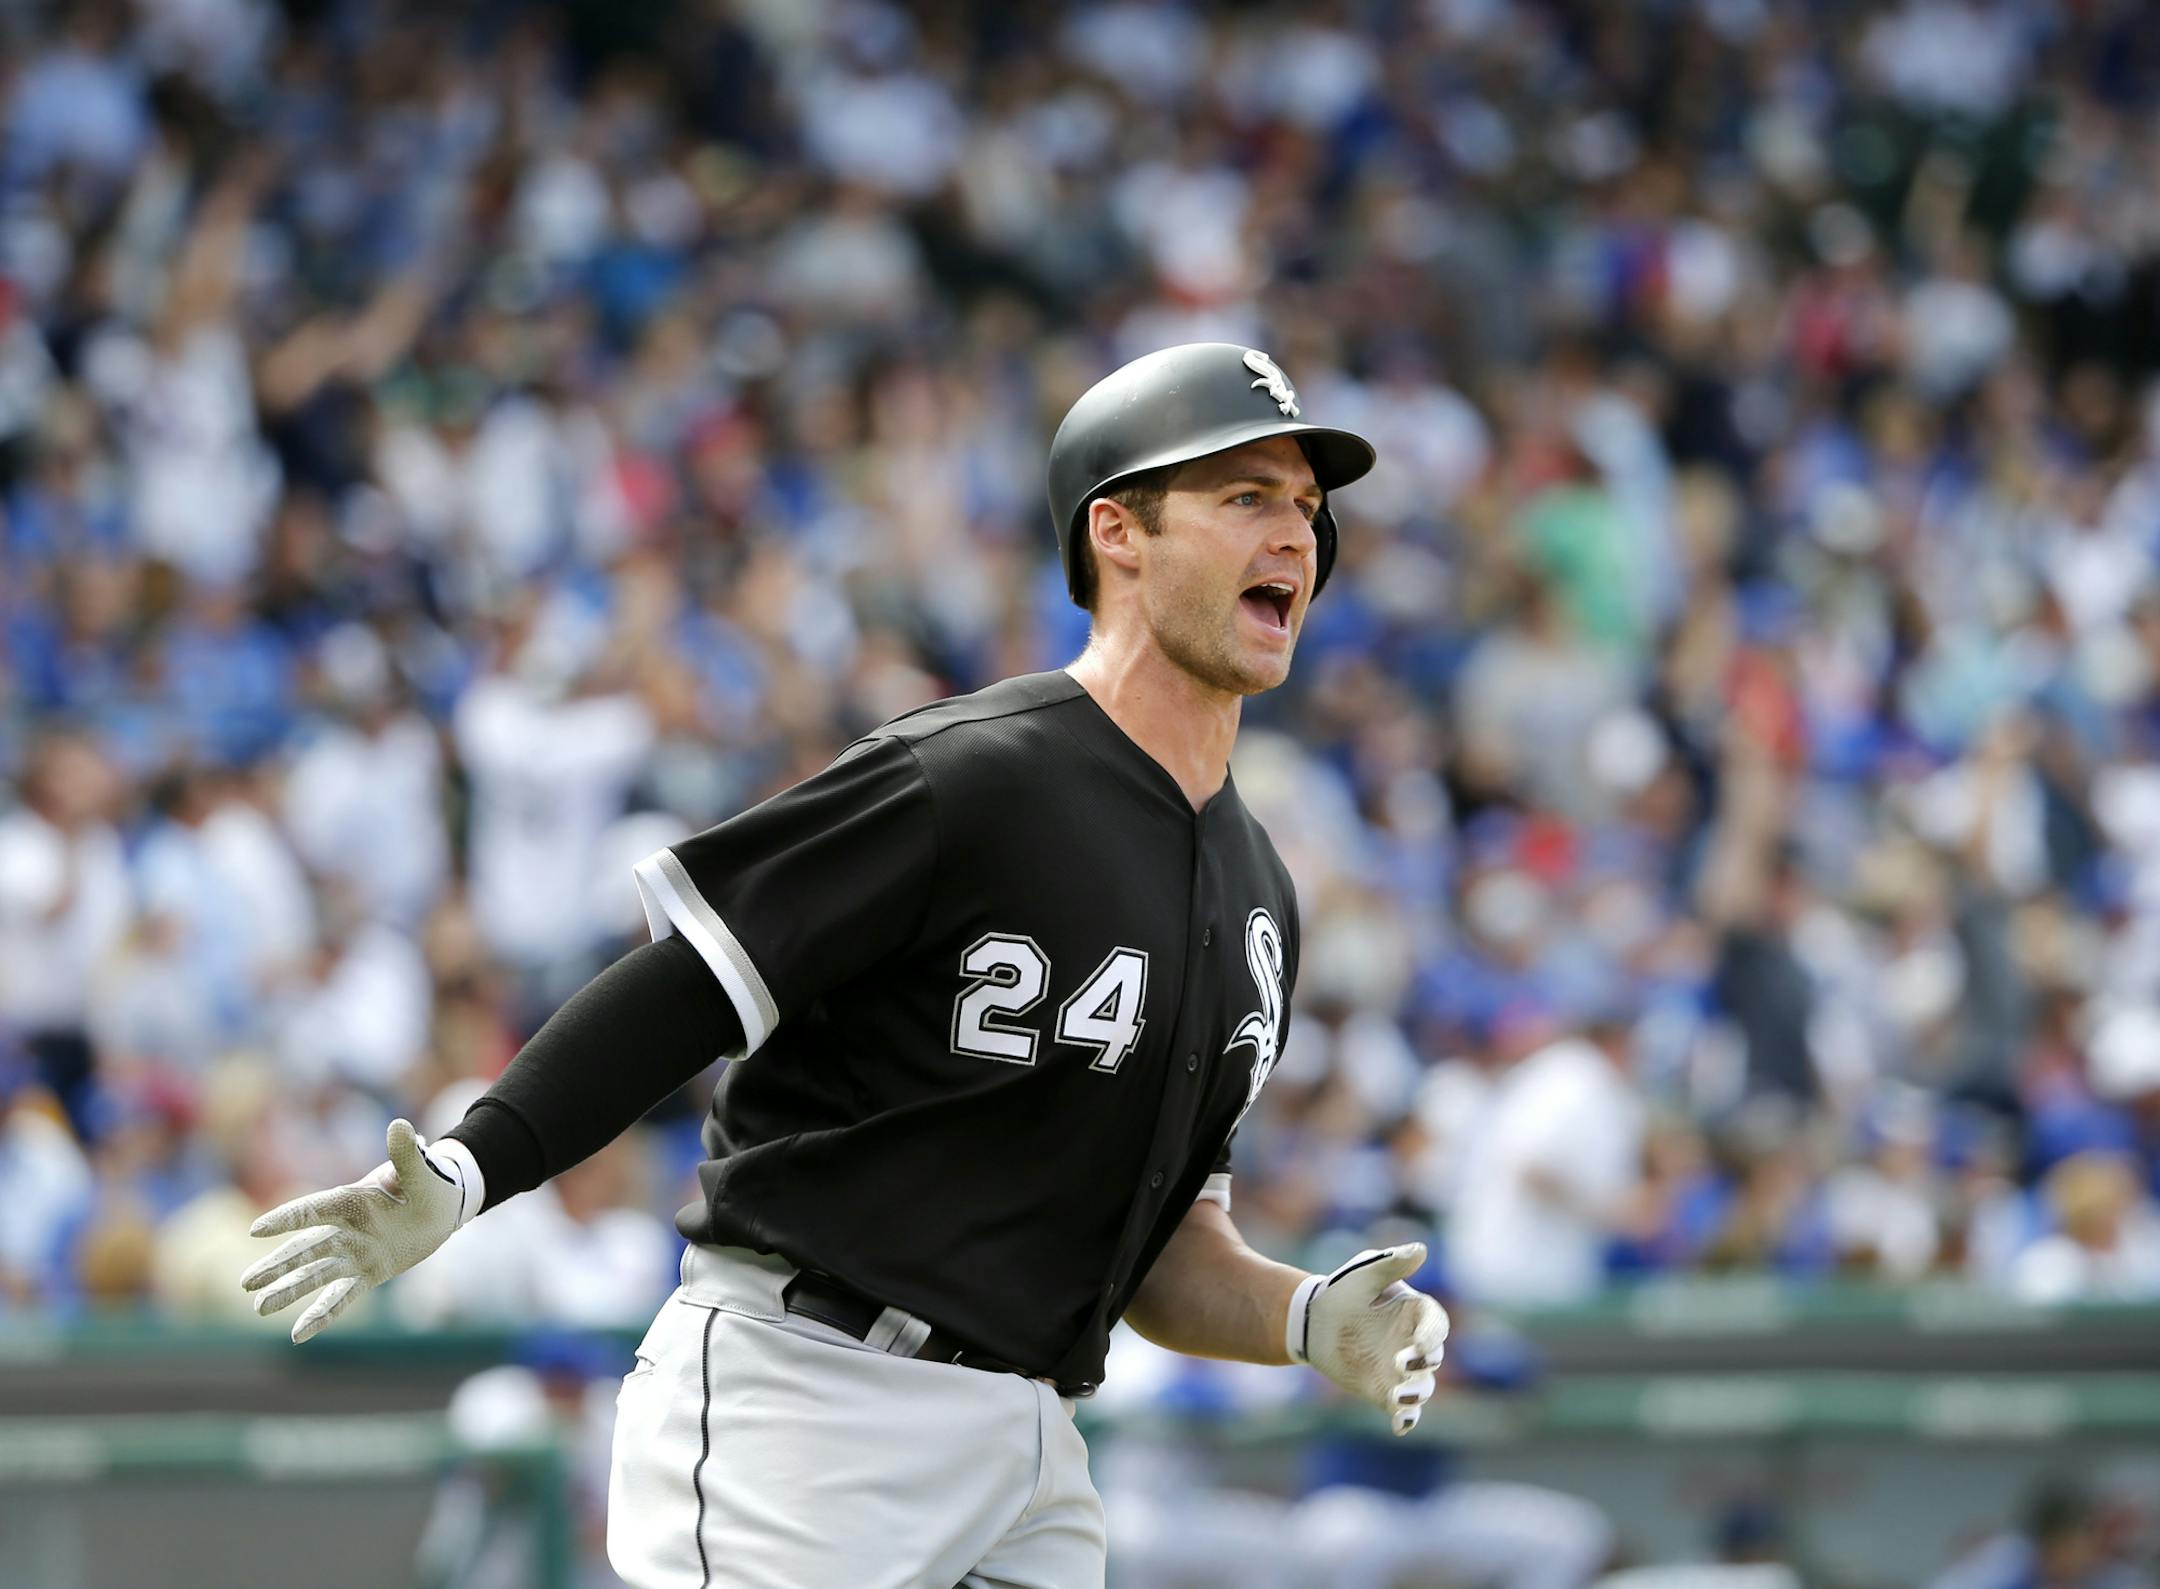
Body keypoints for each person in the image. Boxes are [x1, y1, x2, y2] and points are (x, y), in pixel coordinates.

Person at [239, 343, 1451, 1589]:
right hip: (808, 1405)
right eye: (1245, 495)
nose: (1296, 535)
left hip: (1033, 1441)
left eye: (1308, 506)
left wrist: (1302, 1318)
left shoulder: (1261, 891)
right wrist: (469, 1164)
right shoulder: (971, 775)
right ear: (1118, 532)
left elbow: (1161, 1252)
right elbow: (685, 988)